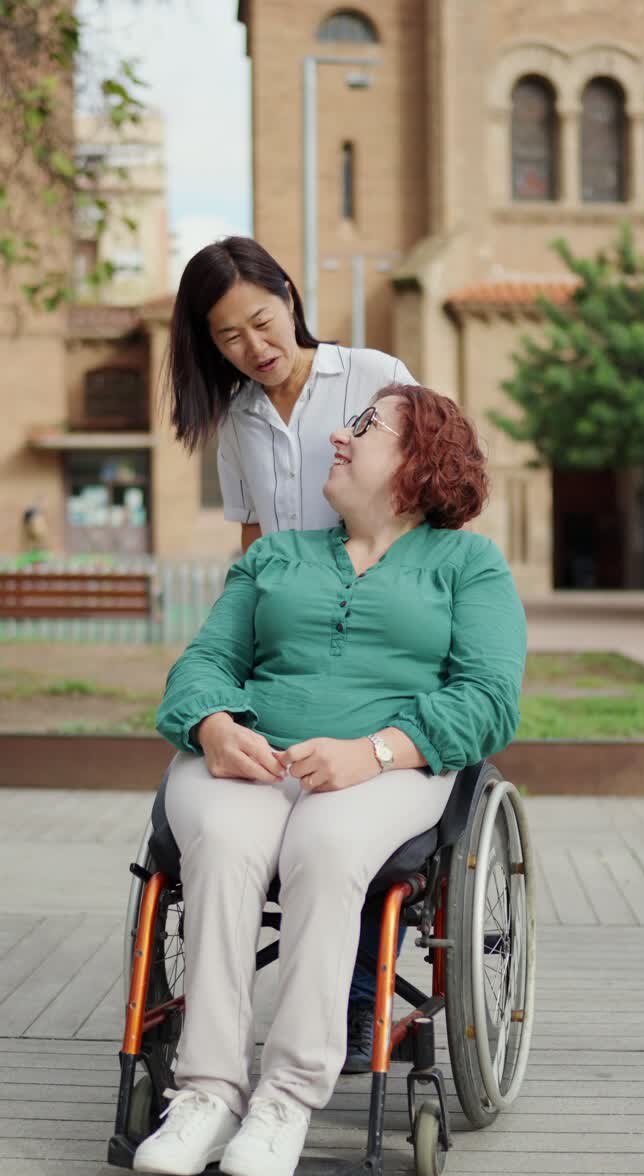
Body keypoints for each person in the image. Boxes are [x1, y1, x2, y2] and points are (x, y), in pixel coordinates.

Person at [134, 382, 527, 1176]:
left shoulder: (468, 565)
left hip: (389, 770)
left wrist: (376, 752)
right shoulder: (276, 555)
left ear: (419, 459)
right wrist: (213, 726)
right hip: (252, 759)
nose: (339, 439)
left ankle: (284, 1100)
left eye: (364, 427)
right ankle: (206, 1095)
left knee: (326, 841)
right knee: (226, 839)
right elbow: (202, 664)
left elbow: (488, 699)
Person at [166, 234, 419, 1071]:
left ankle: (350, 999)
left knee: (332, 817)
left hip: (374, 629)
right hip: (281, 629)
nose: (255, 348)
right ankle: (216, 1039)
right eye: (229, 337)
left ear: (288, 294)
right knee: (232, 801)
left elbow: (432, 495)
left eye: (263, 322)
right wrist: (226, 660)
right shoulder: (235, 418)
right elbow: (250, 539)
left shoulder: (373, 376)